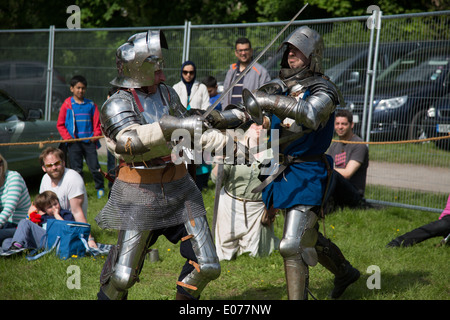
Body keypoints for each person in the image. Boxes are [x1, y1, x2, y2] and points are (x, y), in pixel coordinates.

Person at [95, 30, 242, 300]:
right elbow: (130, 142)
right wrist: (173, 126)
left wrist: (229, 143)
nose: (163, 76)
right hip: (140, 193)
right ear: (137, 70)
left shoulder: (166, 94)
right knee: (122, 277)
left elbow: (191, 131)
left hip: (179, 189)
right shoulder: (117, 103)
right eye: (156, 69)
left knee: (208, 266)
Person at [242, 26, 359, 299]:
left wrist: (269, 100)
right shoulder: (283, 86)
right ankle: (344, 272)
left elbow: (308, 114)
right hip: (281, 167)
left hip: (308, 170)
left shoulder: (325, 89)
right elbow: (255, 115)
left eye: (298, 51)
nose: (291, 55)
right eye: (289, 51)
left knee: (291, 244)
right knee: (307, 235)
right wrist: (216, 120)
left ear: (312, 55)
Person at [211, 122, 279, 260]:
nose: (260, 130)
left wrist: (272, 208)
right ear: (247, 128)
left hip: (257, 208)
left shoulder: (272, 153)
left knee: (254, 253)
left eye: (264, 127)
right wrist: (221, 161)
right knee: (223, 252)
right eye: (256, 125)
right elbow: (215, 179)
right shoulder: (232, 149)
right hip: (230, 206)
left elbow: (275, 184)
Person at [57, 75, 105, 199]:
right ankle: (80, 191)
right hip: (74, 143)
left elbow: (97, 124)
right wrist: (69, 138)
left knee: (94, 167)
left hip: (89, 142)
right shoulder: (67, 104)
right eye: (78, 88)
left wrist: (95, 136)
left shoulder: (91, 105)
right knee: (76, 169)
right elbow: (60, 124)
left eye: (83, 88)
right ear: (71, 88)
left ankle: (100, 188)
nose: (80, 91)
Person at [38, 147, 96, 248]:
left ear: (63, 163)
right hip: (51, 225)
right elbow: (42, 209)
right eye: (49, 165)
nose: (54, 168)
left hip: (70, 228)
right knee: (24, 226)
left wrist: (89, 239)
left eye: (57, 163)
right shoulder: (45, 179)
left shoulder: (72, 178)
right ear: (44, 168)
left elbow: (77, 212)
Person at [173, 62, 211, 190]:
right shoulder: (176, 88)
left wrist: (199, 117)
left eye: (191, 72)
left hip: (198, 127)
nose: (188, 75)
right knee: (182, 157)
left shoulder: (202, 88)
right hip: (181, 129)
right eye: (185, 72)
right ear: (181, 72)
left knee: (199, 157)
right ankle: (183, 184)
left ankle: (200, 184)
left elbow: (206, 107)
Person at [1, 191, 74, 253]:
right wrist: (29, 215)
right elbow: (27, 230)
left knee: (24, 222)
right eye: (49, 207)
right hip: (40, 241)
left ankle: (17, 247)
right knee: (7, 241)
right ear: (44, 210)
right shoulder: (43, 218)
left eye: (55, 204)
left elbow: (67, 229)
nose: (54, 208)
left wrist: (56, 215)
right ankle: (16, 250)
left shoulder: (65, 214)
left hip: (54, 240)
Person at [326, 109, 369, 210]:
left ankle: (323, 209)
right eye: (337, 124)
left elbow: (347, 173)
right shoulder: (334, 144)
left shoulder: (359, 145)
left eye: (344, 124)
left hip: (354, 193)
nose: (340, 127)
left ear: (351, 125)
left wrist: (328, 168)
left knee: (333, 174)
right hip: (337, 190)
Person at [221, 37, 271, 107]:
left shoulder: (261, 71)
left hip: (250, 116)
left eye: (246, 50)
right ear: (236, 53)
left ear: (251, 51)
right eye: (240, 50)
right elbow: (224, 95)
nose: (243, 53)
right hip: (230, 115)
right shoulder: (231, 71)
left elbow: (266, 97)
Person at [0, 154, 31, 247]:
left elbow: (8, 210)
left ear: (3, 164)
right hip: (5, 225)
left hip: (20, 225)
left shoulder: (14, 178)